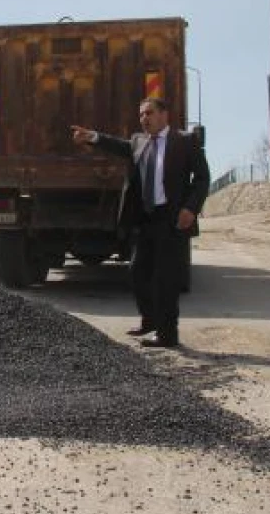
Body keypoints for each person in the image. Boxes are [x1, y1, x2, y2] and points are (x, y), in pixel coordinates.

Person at [72, 97, 210, 348]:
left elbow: (202, 178)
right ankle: (150, 320)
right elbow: (117, 145)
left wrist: (191, 208)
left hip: (173, 220)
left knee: (166, 280)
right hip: (146, 219)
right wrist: (92, 136)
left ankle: (168, 335)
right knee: (138, 273)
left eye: (149, 113)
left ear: (164, 115)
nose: (144, 118)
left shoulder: (185, 141)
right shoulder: (139, 142)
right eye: (141, 115)